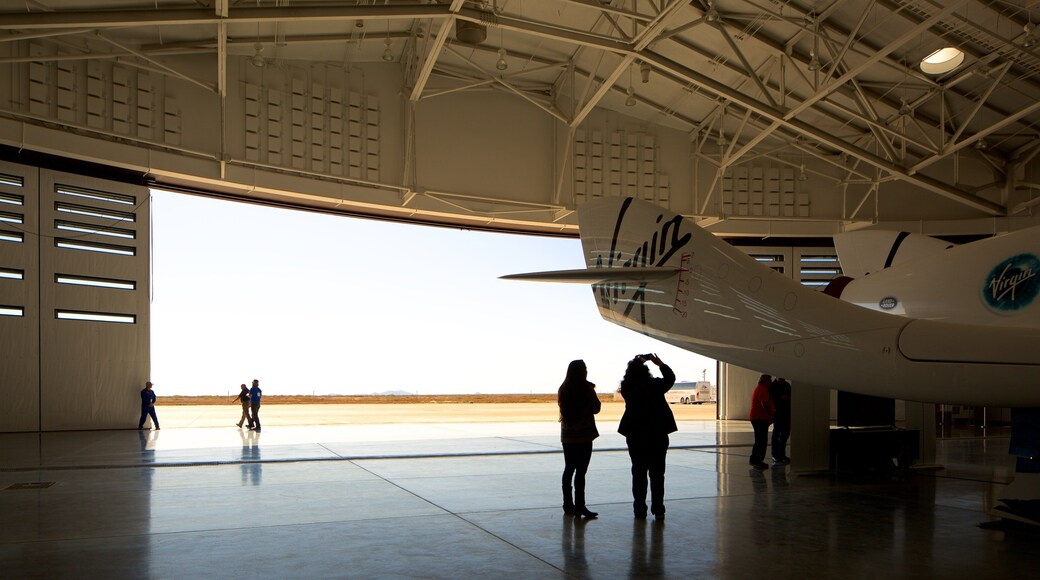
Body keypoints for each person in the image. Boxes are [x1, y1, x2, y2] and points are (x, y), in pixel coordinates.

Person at [618, 353, 676, 520]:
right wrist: (658, 362)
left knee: (638, 472)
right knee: (657, 474)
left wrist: (639, 360)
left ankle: (639, 509)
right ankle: (658, 509)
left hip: (635, 434)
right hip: (657, 433)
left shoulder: (627, 388)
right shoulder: (655, 385)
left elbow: (630, 373)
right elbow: (670, 377)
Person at [558, 359, 601, 519]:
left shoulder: (563, 389)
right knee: (581, 472)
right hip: (584, 434)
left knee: (569, 468)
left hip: (568, 435)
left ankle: (567, 504)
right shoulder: (587, 388)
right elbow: (596, 407)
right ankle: (580, 506)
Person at [748, 374, 775, 470]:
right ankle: (757, 460)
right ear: (765, 381)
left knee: (760, 440)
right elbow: (764, 403)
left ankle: (755, 460)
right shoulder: (762, 389)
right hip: (760, 418)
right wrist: (770, 415)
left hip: (758, 417)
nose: (771, 382)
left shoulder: (760, 388)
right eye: (769, 380)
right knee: (761, 440)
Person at [769, 377, 792, 464]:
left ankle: (782, 454)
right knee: (777, 433)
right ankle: (775, 454)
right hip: (778, 413)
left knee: (785, 434)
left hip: (786, 413)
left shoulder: (787, 385)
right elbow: (774, 399)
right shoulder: (773, 386)